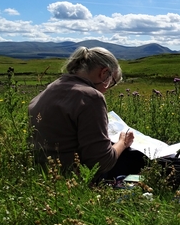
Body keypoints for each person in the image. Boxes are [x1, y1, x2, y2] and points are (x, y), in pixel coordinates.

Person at [28, 46, 144, 180]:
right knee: (139, 157)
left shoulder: (53, 86)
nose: (106, 90)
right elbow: (101, 163)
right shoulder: (91, 97)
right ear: (104, 73)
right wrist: (123, 142)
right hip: (70, 176)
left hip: (41, 170)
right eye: (111, 82)